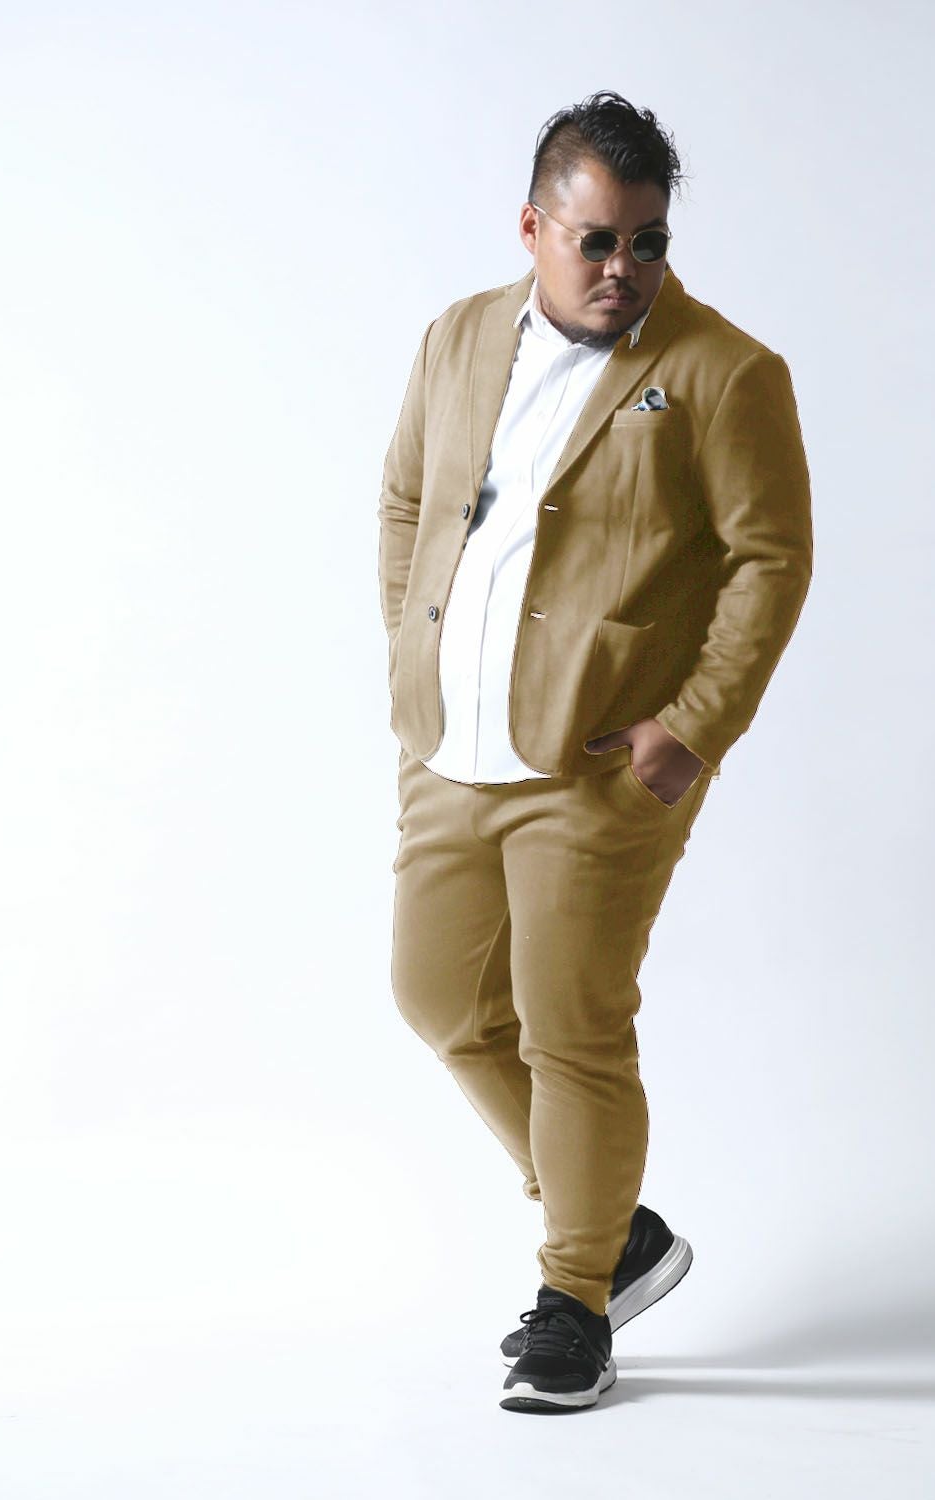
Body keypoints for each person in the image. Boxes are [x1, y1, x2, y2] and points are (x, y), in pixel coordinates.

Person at [377, 90, 813, 1414]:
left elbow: (770, 560)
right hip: (447, 748)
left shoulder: (726, 373)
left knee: (572, 1029)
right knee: (439, 1002)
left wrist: (696, 724)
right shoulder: (458, 336)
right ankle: (617, 1229)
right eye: (597, 240)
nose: (624, 267)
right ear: (533, 229)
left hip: (599, 764)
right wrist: (415, 648)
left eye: (649, 241)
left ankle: (576, 1300)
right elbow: (407, 500)